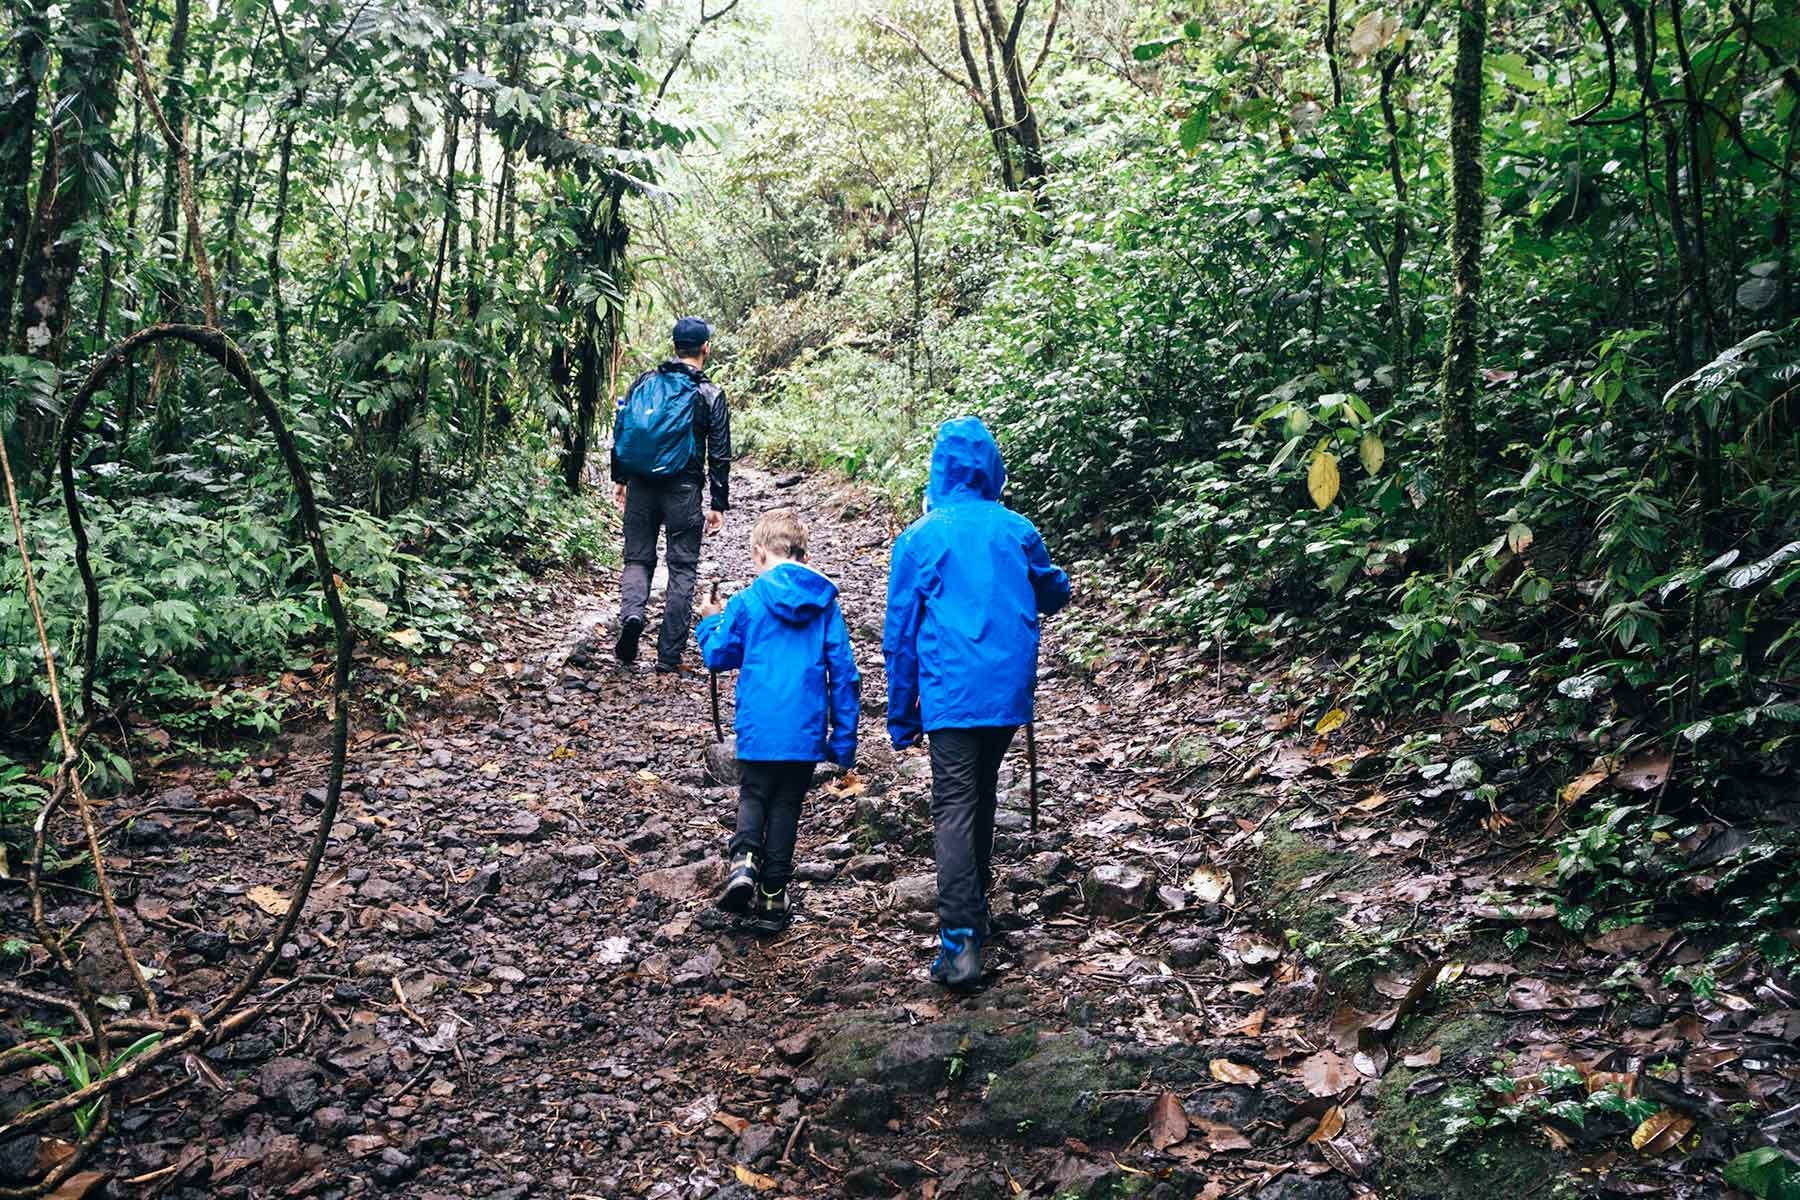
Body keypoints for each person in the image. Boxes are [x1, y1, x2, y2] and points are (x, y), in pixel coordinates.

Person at [883, 416, 1070, 988]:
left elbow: (900, 632)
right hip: (1006, 691)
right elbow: (1053, 590)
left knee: (955, 803)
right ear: (992, 468)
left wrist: (901, 711)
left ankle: (960, 941)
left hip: (951, 690)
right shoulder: (1017, 529)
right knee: (980, 792)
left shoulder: (920, 538)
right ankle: (976, 911)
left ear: (939, 470)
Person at [695, 509, 859, 934]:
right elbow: (844, 674)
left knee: (754, 792)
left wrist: (711, 619)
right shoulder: (825, 604)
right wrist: (843, 742)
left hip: (759, 723)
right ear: (803, 554)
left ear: (759, 552)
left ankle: (745, 859)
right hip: (804, 729)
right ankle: (772, 898)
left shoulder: (748, 601)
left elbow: (718, 654)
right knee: (786, 803)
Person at [612, 316, 731, 673]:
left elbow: (624, 431)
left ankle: (633, 616)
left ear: (674, 345)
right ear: (705, 348)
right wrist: (717, 504)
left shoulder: (645, 383)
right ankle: (668, 656)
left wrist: (621, 479)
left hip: (642, 486)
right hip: (684, 490)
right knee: (681, 567)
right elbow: (720, 452)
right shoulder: (709, 393)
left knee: (637, 559)